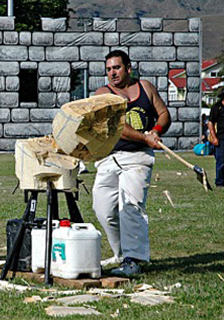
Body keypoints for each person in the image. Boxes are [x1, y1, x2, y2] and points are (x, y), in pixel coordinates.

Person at [92, 50, 171, 277]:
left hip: (138, 158)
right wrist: (145, 136)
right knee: (103, 209)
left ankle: (133, 259)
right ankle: (120, 253)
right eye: (108, 69)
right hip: (109, 157)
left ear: (128, 67)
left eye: (116, 68)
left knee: (131, 207)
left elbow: (164, 113)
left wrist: (156, 131)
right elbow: (115, 125)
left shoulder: (145, 87)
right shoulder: (102, 93)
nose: (112, 73)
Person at [208, 91, 224, 188]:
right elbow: (210, 123)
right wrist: (214, 137)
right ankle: (220, 182)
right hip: (221, 138)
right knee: (221, 161)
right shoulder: (216, 107)